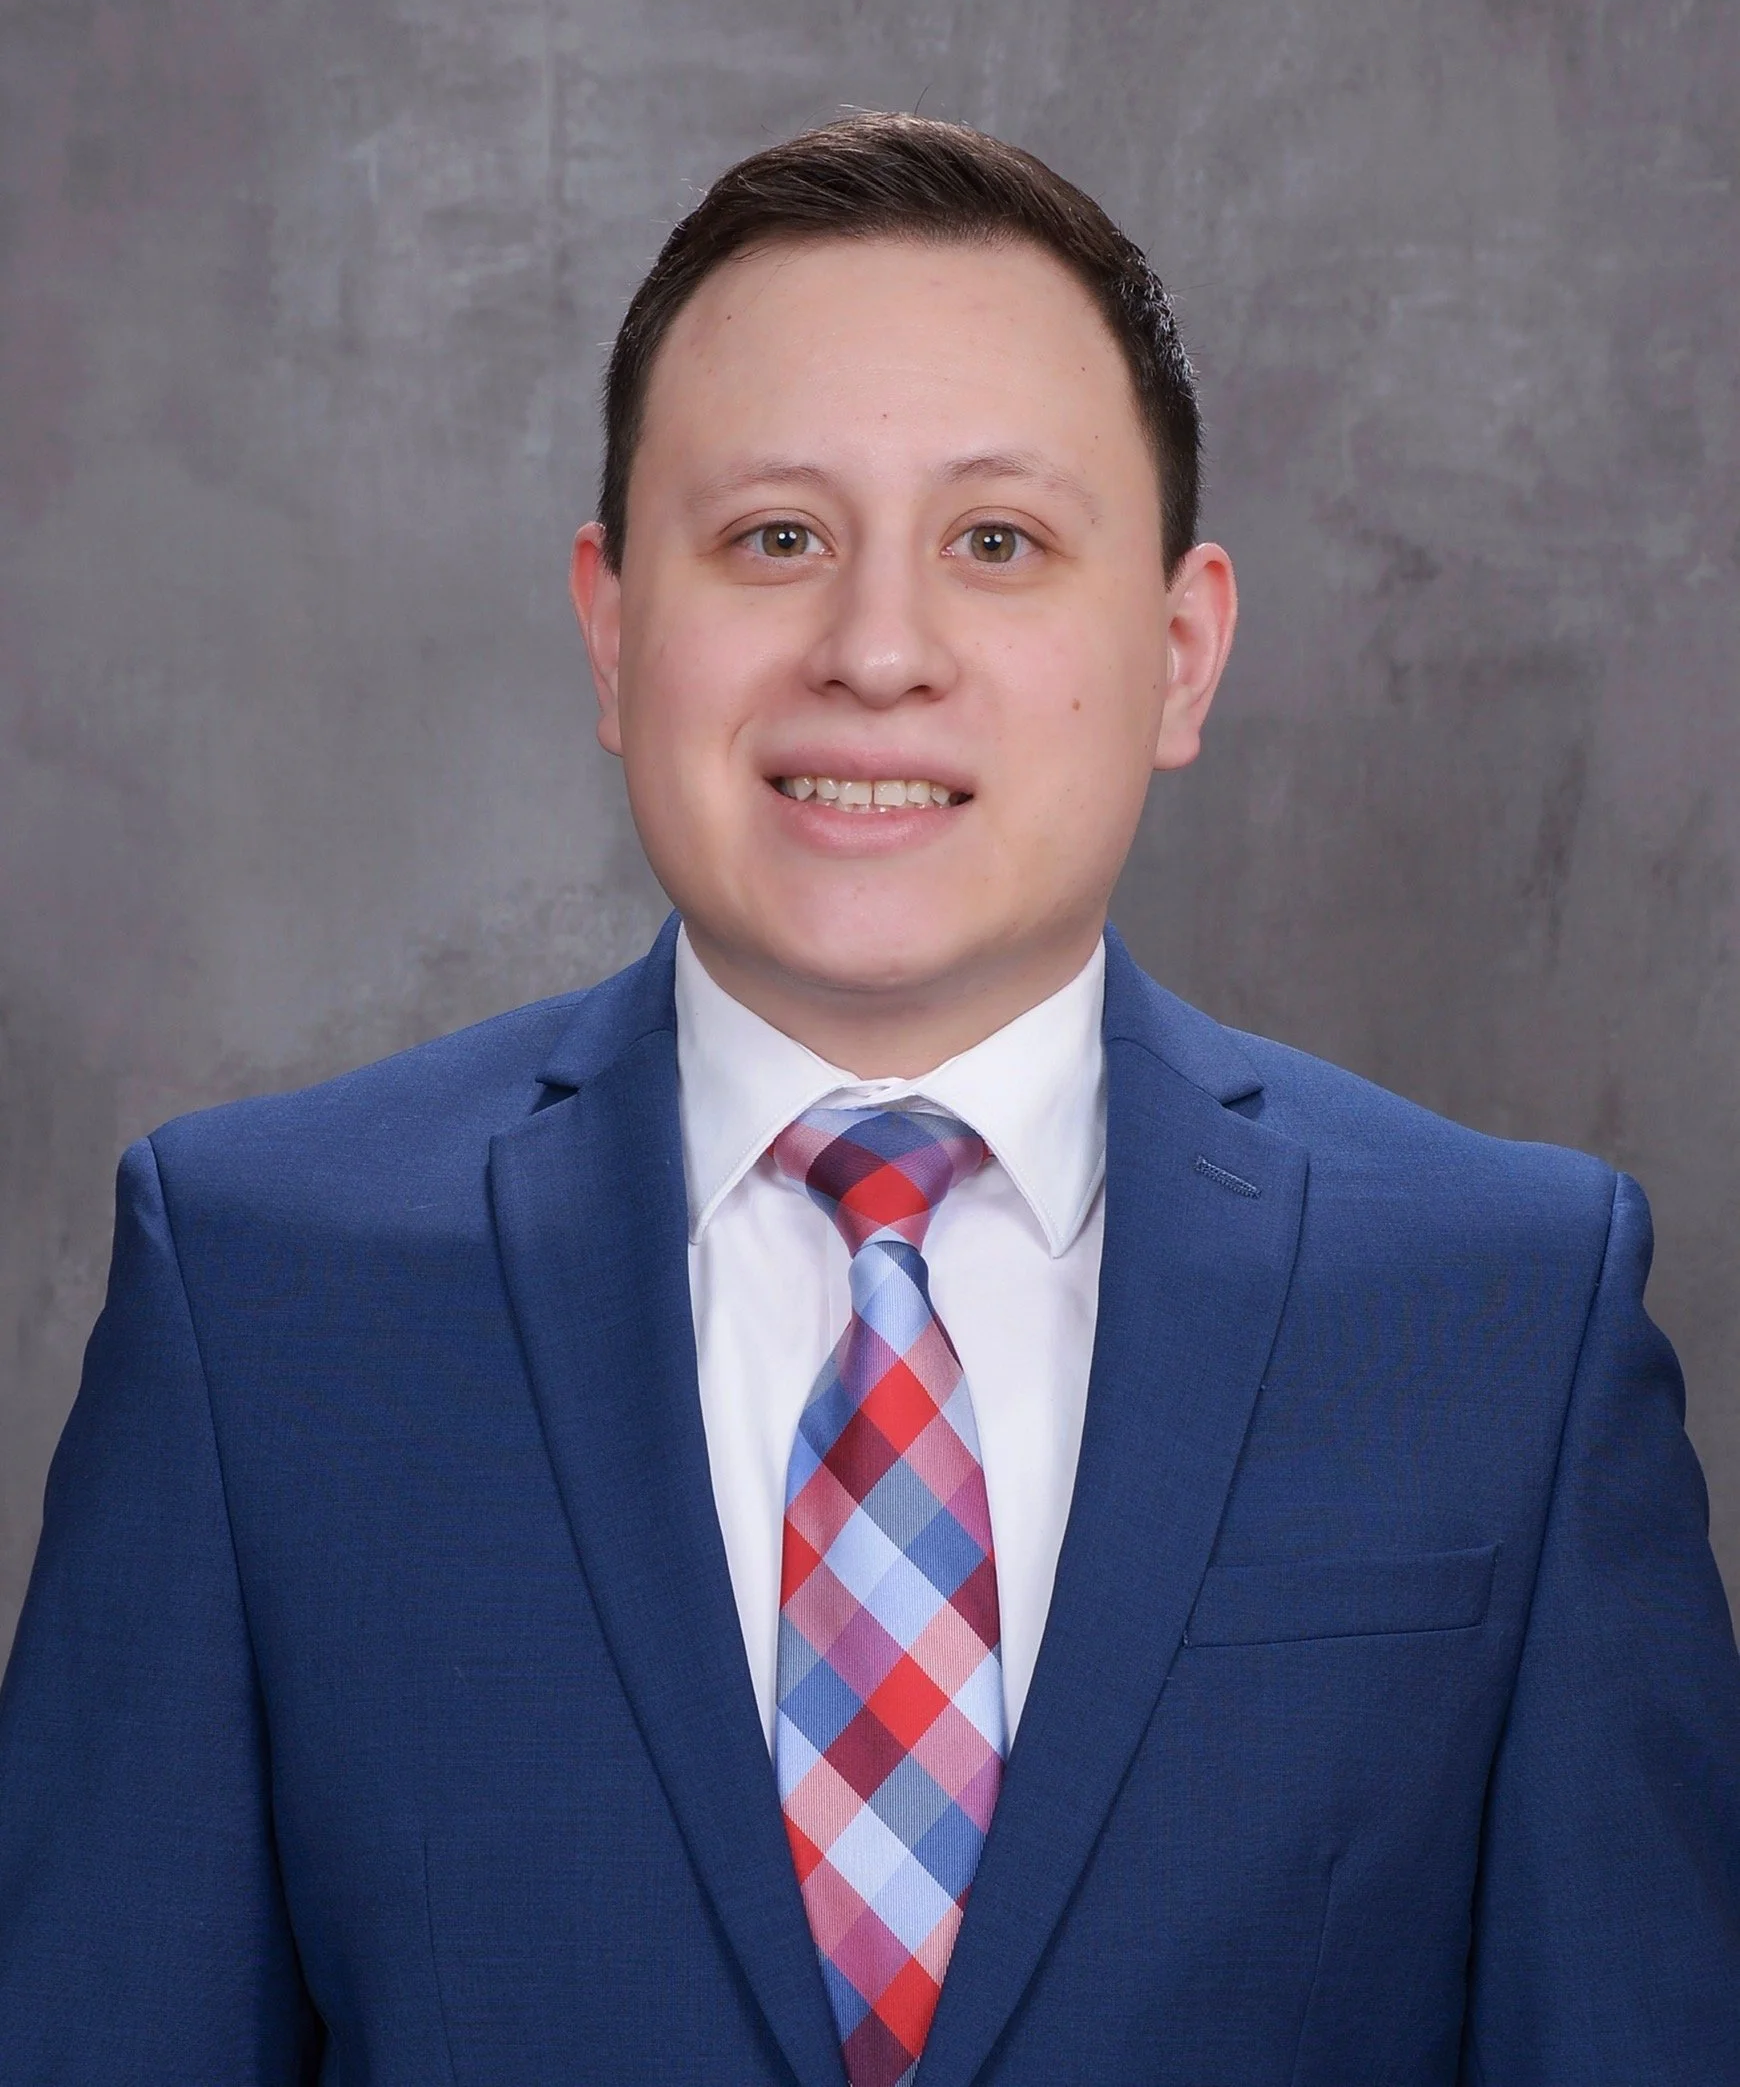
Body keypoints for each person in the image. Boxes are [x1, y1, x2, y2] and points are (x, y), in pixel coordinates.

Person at [1, 113, 1736, 2087]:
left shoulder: (1508, 1313)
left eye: (997, 544)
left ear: (1180, 655)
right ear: (611, 624)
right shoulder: (264, 1294)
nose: (878, 652)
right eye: (773, 538)